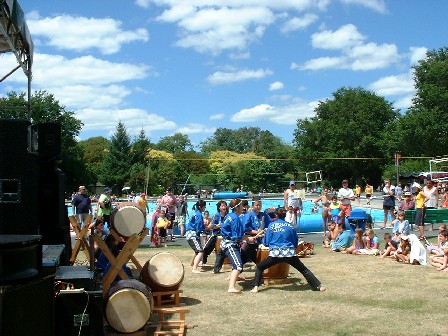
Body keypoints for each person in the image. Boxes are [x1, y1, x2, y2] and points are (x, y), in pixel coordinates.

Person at [251, 207, 325, 293]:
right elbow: (295, 242)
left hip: (275, 254)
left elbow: (266, 243)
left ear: (275, 215)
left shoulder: (271, 226)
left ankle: (255, 287)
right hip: (289, 253)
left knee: (260, 267)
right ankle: (318, 286)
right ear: (285, 215)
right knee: (303, 270)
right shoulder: (290, 226)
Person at [220, 198, 255, 293]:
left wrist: (246, 237)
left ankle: (233, 277)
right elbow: (237, 237)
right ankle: (231, 287)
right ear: (238, 207)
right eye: (242, 206)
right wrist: (248, 239)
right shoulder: (235, 219)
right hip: (230, 244)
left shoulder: (230, 215)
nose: (243, 208)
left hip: (228, 242)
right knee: (238, 265)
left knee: (239, 262)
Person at [241, 198, 271, 264]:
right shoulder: (248, 215)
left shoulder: (265, 215)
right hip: (251, 239)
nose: (258, 207)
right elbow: (245, 228)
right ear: (253, 206)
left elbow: (269, 226)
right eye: (256, 205)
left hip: (262, 239)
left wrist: (265, 230)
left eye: (260, 205)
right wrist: (256, 232)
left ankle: (260, 266)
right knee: (246, 252)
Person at [185, 200, 207, 273]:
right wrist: (205, 228)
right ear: (201, 207)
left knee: (197, 250)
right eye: (204, 206)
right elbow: (198, 227)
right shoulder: (199, 215)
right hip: (192, 235)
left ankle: (192, 263)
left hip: (190, 234)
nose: (205, 207)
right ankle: (194, 269)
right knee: (200, 251)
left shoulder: (196, 213)